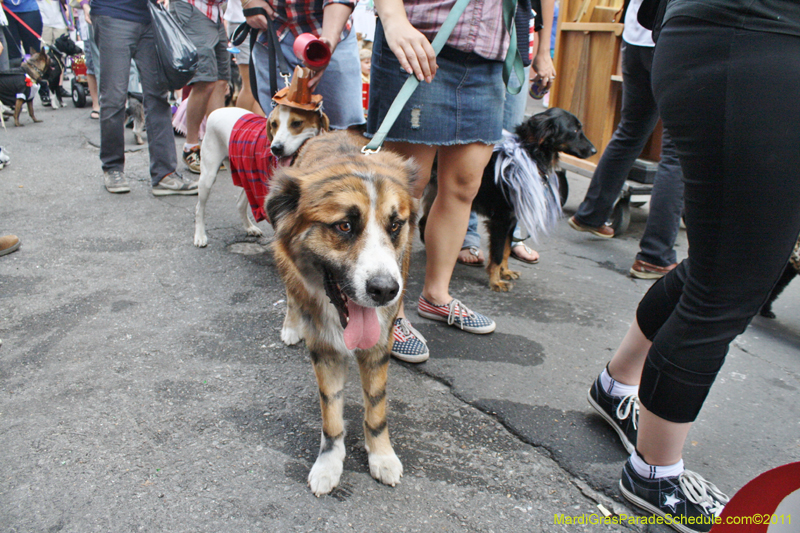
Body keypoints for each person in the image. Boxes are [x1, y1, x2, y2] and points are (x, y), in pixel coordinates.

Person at [587, 1, 800, 530]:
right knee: (729, 283)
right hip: (755, 44)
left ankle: (616, 385)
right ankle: (654, 474)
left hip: (733, 41)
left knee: (726, 264)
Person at [368, 0, 530, 362]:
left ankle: (436, 296)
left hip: (489, 53)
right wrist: (393, 19)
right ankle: (388, 310)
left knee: (464, 186)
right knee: (403, 189)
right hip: (419, 39)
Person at [567, 0, 684, 281]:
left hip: (636, 36)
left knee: (630, 131)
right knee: (676, 150)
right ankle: (655, 256)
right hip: (676, 38)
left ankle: (591, 215)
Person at [459, 0, 555, 268]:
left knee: (513, 154)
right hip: (472, 35)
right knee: (469, 144)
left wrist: (543, 50)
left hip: (518, 36)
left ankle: (509, 236)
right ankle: (467, 234)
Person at [91, 0, 198, 195]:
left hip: (149, 16)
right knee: (114, 97)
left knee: (159, 96)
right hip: (113, 13)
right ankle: (112, 167)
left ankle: (164, 173)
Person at [243, 0, 365, 131]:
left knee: (343, 127)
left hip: (330, 27)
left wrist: (326, 47)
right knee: (281, 127)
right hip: (272, 29)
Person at [169, 0, 229, 174]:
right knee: (204, 80)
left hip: (215, 10)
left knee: (220, 81)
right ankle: (191, 147)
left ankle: (213, 147)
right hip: (192, 7)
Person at [223, 0, 263, 116]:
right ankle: (240, 130)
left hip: (264, 21)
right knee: (251, 85)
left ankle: (255, 130)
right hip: (242, 21)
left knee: (262, 86)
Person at [36, 0, 69, 105]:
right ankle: (46, 90)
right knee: (44, 57)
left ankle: (59, 87)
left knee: (61, 55)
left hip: (59, 21)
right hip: (43, 21)